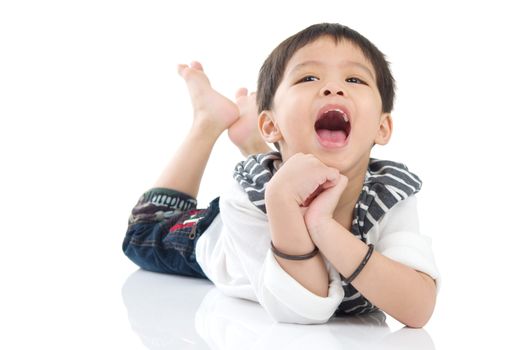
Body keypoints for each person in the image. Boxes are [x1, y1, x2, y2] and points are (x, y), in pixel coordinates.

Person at [123, 23, 440, 327]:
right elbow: (301, 309)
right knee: (143, 232)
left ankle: (255, 143)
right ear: (271, 124)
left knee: (290, 164)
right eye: (309, 77)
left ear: (381, 128)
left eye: (355, 80)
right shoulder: (250, 193)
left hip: (281, 185)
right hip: (223, 238)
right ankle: (207, 122)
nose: (334, 87)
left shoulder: (389, 194)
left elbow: (418, 308)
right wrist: (281, 202)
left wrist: (322, 226)